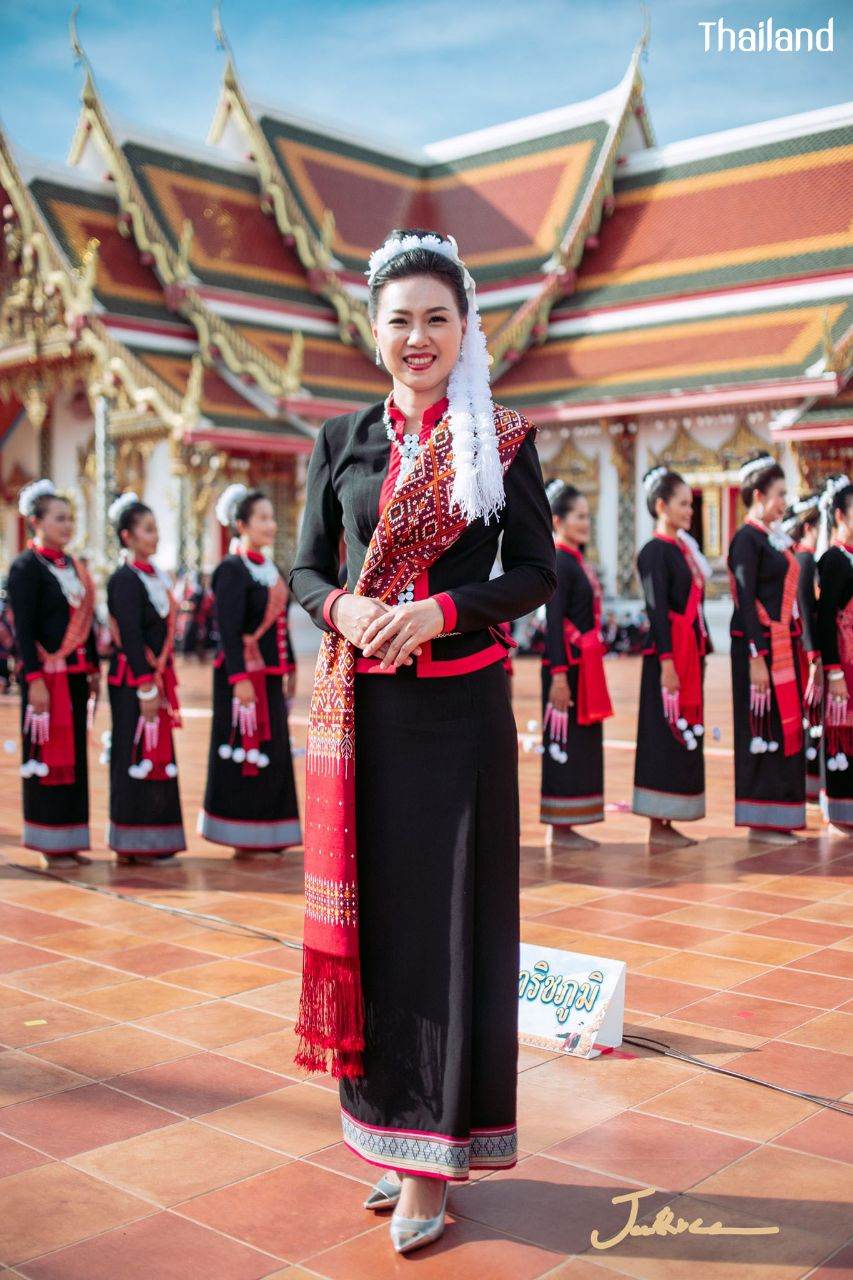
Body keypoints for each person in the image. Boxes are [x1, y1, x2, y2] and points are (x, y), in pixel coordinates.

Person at [289, 227, 555, 1254]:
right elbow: (307, 568)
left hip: (457, 721)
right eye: (399, 319)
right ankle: (386, 1128)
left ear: (464, 328)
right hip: (367, 722)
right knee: (382, 932)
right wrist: (341, 612)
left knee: (450, 933)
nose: (417, 336)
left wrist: (442, 609)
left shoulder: (501, 440)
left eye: (436, 318)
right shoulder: (341, 441)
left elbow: (534, 574)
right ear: (372, 328)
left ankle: (434, 1156)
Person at [199, 485, 301, 857]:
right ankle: (240, 832)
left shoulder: (270, 569)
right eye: (262, 518)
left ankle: (270, 831)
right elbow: (227, 630)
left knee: (271, 751)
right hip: (240, 678)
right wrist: (239, 679)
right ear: (240, 524)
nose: (271, 525)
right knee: (242, 751)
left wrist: (289, 666)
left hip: (270, 674)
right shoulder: (231, 569)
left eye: (272, 517)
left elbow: (281, 624)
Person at [7, 480, 99, 865]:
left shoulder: (74, 566)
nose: (67, 525)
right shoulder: (26, 567)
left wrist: (92, 666)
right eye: (59, 518)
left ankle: (71, 838)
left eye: (70, 518)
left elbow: (88, 622)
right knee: (46, 758)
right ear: (36, 522)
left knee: (75, 756)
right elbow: (23, 629)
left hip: (75, 677)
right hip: (44, 679)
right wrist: (33, 680)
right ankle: (48, 842)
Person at [728, 453, 806, 842]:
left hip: (780, 646)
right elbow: (744, 598)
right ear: (758, 495)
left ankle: (781, 813)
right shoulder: (746, 539)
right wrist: (758, 655)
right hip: (758, 649)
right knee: (763, 728)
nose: (784, 502)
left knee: (779, 724)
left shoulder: (771, 538)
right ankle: (762, 818)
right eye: (779, 494)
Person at [105, 493, 186, 864]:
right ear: (128, 536)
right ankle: (130, 841)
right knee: (134, 752)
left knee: (159, 754)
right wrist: (147, 685)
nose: (155, 536)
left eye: (156, 529)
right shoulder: (124, 579)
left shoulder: (157, 576)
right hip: (134, 682)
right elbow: (132, 638)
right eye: (148, 530)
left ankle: (157, 839)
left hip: (157, 678)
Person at [632, 467, 711, 846]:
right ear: (661, 506)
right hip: (667, 658)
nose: (689, 511)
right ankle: (655, 824)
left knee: (680, 733)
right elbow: (656, 610)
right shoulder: (654, 552)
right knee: (663, 734)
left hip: (688, 654)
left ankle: (671, 818)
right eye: (683, 504)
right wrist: (667, 662)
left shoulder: (682, 549)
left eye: (691, 504)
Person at [540, 478, 612, 848]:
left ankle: (570, 823)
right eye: (579, 516)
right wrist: (558, 675)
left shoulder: (575, 560)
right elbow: (554, 622)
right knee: (564, 741)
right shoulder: (558, 561)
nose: (586, 523)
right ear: (558, 521)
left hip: (582, 666)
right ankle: (559, 825)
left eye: (588, 516)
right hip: (565, 667)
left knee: (580, 743)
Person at [816, 474, 853, 833]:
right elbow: (825, 618)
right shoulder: (834, 560)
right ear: (840, 515)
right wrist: (834, 671)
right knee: (843, 737)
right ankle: (841, 813)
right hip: (844, 664)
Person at [782, 495, 823, 803]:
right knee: (812, 710)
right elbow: (807, 610)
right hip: (805, 647)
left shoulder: (798, 556)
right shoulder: (805, 558)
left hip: (801, 644)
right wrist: (813, 656)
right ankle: (810, 780)